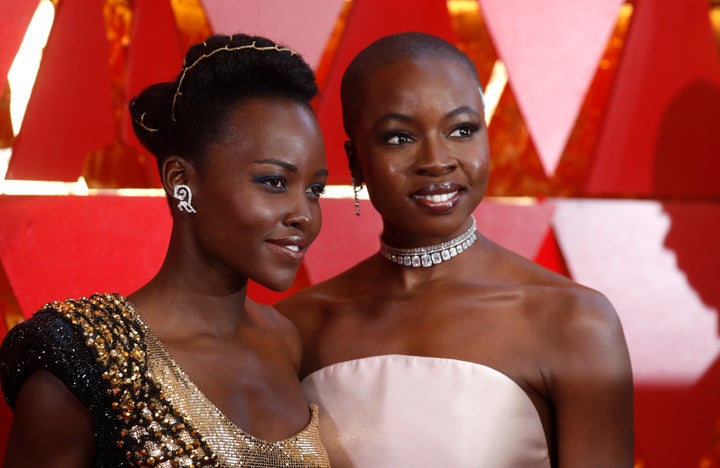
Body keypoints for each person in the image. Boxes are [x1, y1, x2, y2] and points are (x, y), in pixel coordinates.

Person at [276, 32, 634, 467]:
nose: (437, 159)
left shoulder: (574, 322)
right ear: (355, 162)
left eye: (461, 130)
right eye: (398, 138)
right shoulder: (295, 330)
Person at [0, 33, 331, 467]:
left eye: (314, 189)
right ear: (181, 181)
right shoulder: (84, 359)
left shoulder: (287, 342)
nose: (304, 214)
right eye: (273, 182)